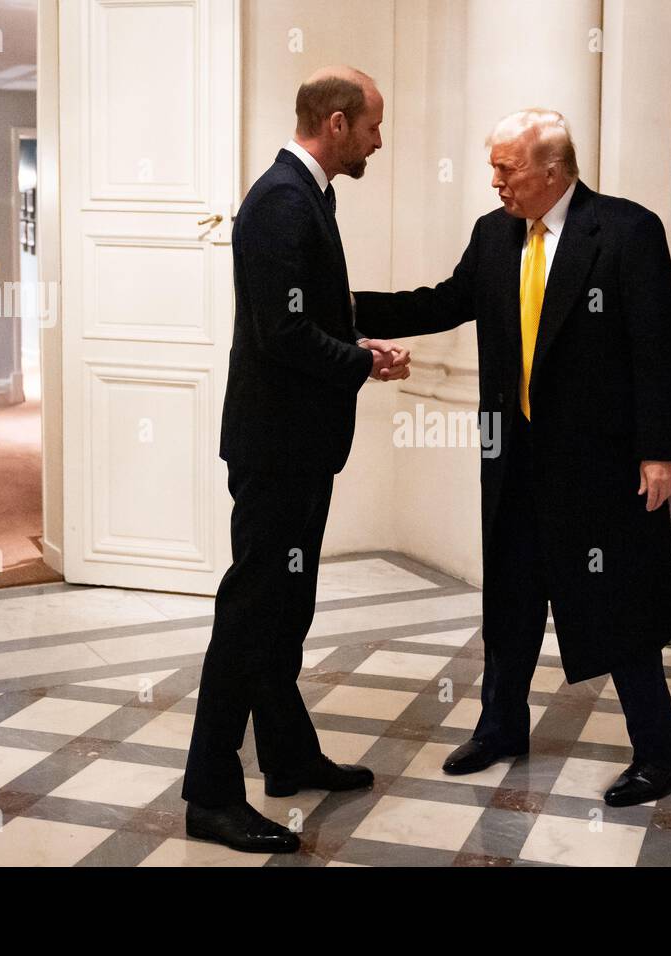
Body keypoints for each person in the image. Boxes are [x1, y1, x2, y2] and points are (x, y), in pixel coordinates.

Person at [355, 109, 671, 806]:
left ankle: (661, 752)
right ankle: (501, 726)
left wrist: (661, 452)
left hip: (603, 465)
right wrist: (343, 308)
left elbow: (658, 349)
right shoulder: (494, 234)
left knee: (617, 604)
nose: (496, 181)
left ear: (552, 170)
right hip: (514, 457)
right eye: (495, 167)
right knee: (509, 598)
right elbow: (444, 301)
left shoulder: (627, 231)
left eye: (506, 169)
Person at [182, 66, 410, 853]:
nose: (381, 139)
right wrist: (364, 363)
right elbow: (282, 337)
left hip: (298, 447)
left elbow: (306, 317)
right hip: (277, 450)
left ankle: (286, 755)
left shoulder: (307, 194)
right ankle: (210, 793)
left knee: (287, 606)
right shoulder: (282, 201)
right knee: (252, 612)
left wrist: (354, 342)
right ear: (337, 123)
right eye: (374, 125)